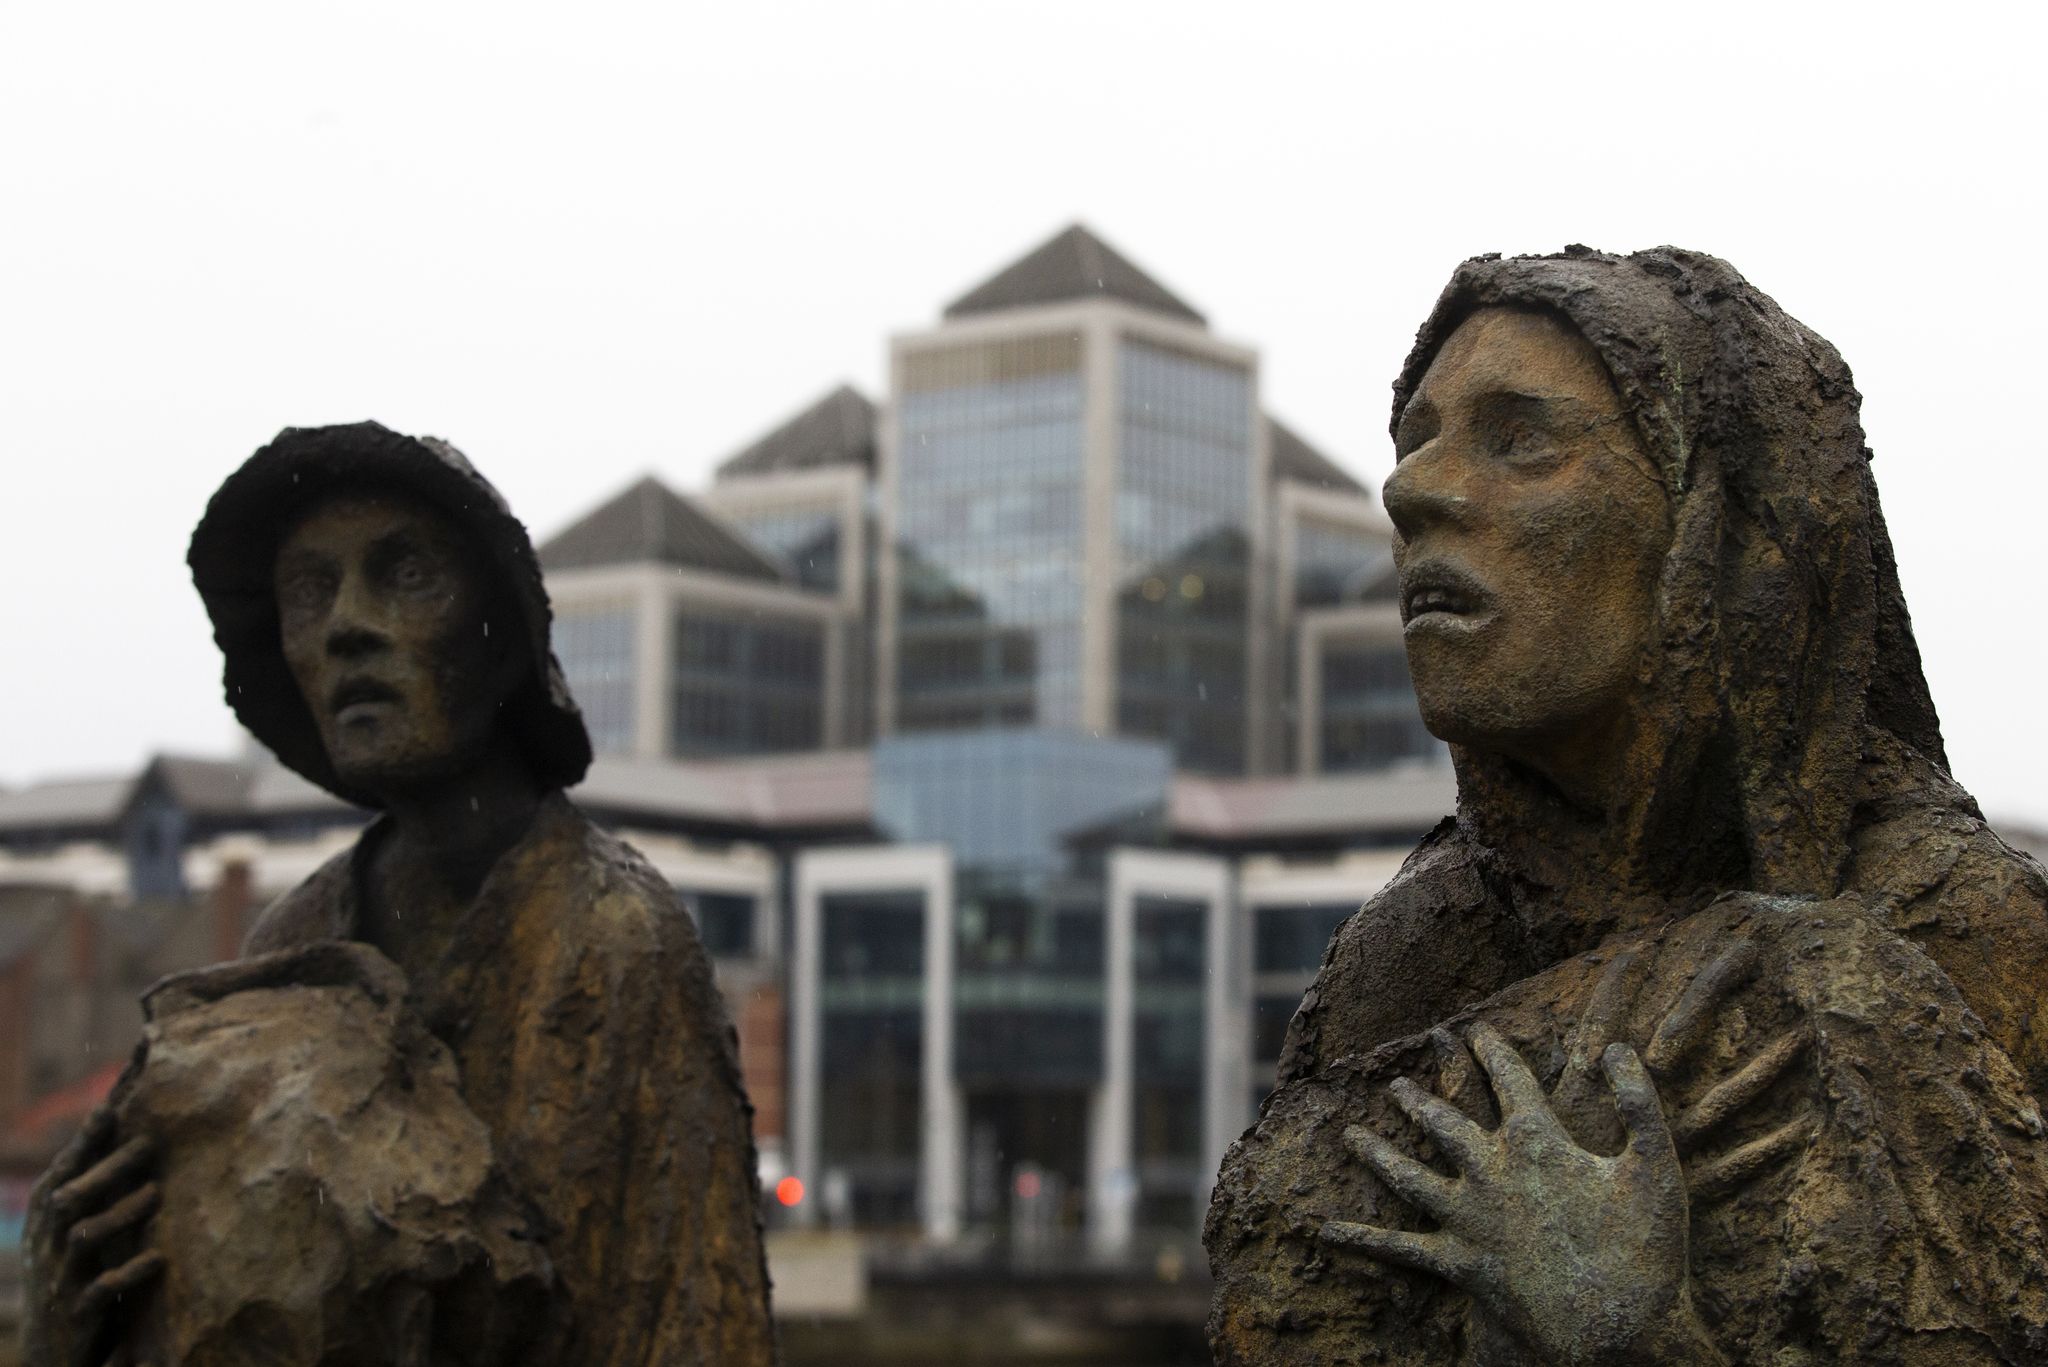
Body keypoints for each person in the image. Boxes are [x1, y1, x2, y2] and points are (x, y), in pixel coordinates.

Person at [1205, 249, 2048, 1365]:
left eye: (1520, 439)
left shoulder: (1964, 939)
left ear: (1721, 526)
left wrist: (1632, 1335)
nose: (1412, 489)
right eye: (1416, 439)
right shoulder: (1396, 969)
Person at [24, 422, 776, 1366]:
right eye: (310, 591)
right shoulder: (292, 940)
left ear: (502, 636)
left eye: (406, 575)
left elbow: (693, 1330)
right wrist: (70, 1325)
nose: (346, 624)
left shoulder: (615, 940)